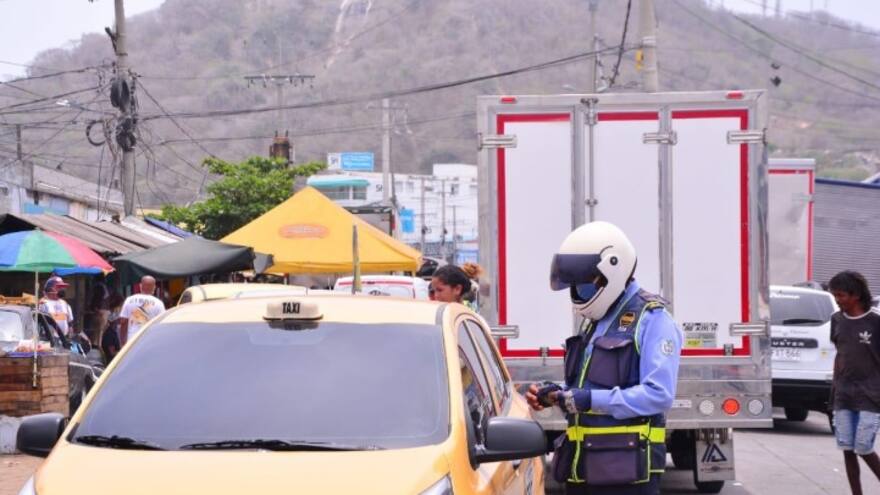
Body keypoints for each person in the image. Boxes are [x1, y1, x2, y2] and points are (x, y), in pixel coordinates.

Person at [525, 221, 682, 495]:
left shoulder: (653, 319)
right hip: (582, 468)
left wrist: (590, 400)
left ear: (614, 269)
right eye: (575, 285)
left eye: (586, 284)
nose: (579, 292)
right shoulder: (597, 320)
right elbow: (590, 385)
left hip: (627, 474)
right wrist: (556, 394)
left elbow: (659, 395)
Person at [828, 270, 880, 495]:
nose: (838, 301)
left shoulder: (875, 322)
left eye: (841, 296)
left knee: (863, 447)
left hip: (870, 395)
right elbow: (839, 354)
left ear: (856, 295)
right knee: (847, 449)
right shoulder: (836, 320)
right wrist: (834, 388)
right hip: (843, 395)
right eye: (835, 296)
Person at [119, 275, 166, 346]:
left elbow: (123, 322)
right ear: (154, 288)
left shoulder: (129, 300)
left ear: (140, 286)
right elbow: (161, 326)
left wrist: (122, 343)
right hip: (150, 342)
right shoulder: (159, 303)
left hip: (132, 341)